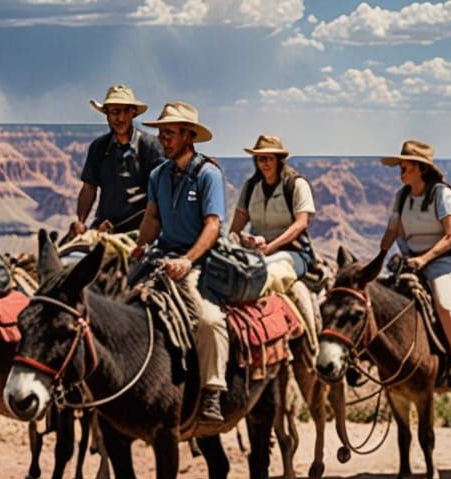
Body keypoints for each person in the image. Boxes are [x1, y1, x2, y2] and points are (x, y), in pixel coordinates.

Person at [133, 101, 230, 425]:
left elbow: (213, 225)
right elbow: (152, 216)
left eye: (170, 133)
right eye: (161, 133)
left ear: (189, 136)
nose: (163, 139)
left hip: (198, 259)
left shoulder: (208, 174)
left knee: (208, 320)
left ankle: (213, 392)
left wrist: (187, 261)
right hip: (161, 255)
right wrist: (140, 246)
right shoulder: (158, 174)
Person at [374, 140, 451, 386]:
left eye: (405, 164)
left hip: (442, 261)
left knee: (444, 304)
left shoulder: (441, 194)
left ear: (421, 167)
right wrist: (379, 259)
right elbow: (392, 231)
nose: (400, 168)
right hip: (410, 261)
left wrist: (425, 259)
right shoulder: (402, 196)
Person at [70, 84, 163, 237]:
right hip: (104, 225)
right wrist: (81, 221)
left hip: (142, 226)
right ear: (107, 114)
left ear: (133, 113)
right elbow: (89, 188)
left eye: (126, 111)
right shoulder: (98, 147)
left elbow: (161, 192)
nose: (121, 118)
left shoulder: (151, 146)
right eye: (115, 112)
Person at [229, 134, 316, 280]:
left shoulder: (296, 185)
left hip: (291, 252)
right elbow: (236, 227)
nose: (265, 163)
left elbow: (301, 223)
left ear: (278, 160)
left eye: (270, 158)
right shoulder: (250, 187)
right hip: (256, 251)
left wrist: (271, 247)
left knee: (269, 269)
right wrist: (238, 240)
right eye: (261, 159)